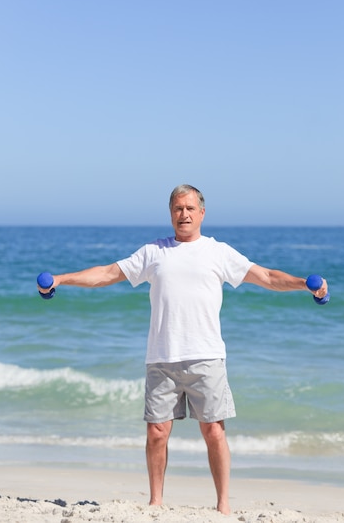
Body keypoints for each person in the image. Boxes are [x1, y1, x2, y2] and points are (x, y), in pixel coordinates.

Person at [38, 184, 328, 515]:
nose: (184, 214)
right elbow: (107, 274)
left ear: (202, 213)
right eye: (178, 208)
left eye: (190, 208)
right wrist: (61, 279)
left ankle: (223, 506)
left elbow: (265, 276)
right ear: (170, 213)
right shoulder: (154, 252)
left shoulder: (218, 252)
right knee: (157, 433)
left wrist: (304, 284)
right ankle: (156, 503)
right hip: (161, 357)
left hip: (206, 357)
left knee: (214, 431)